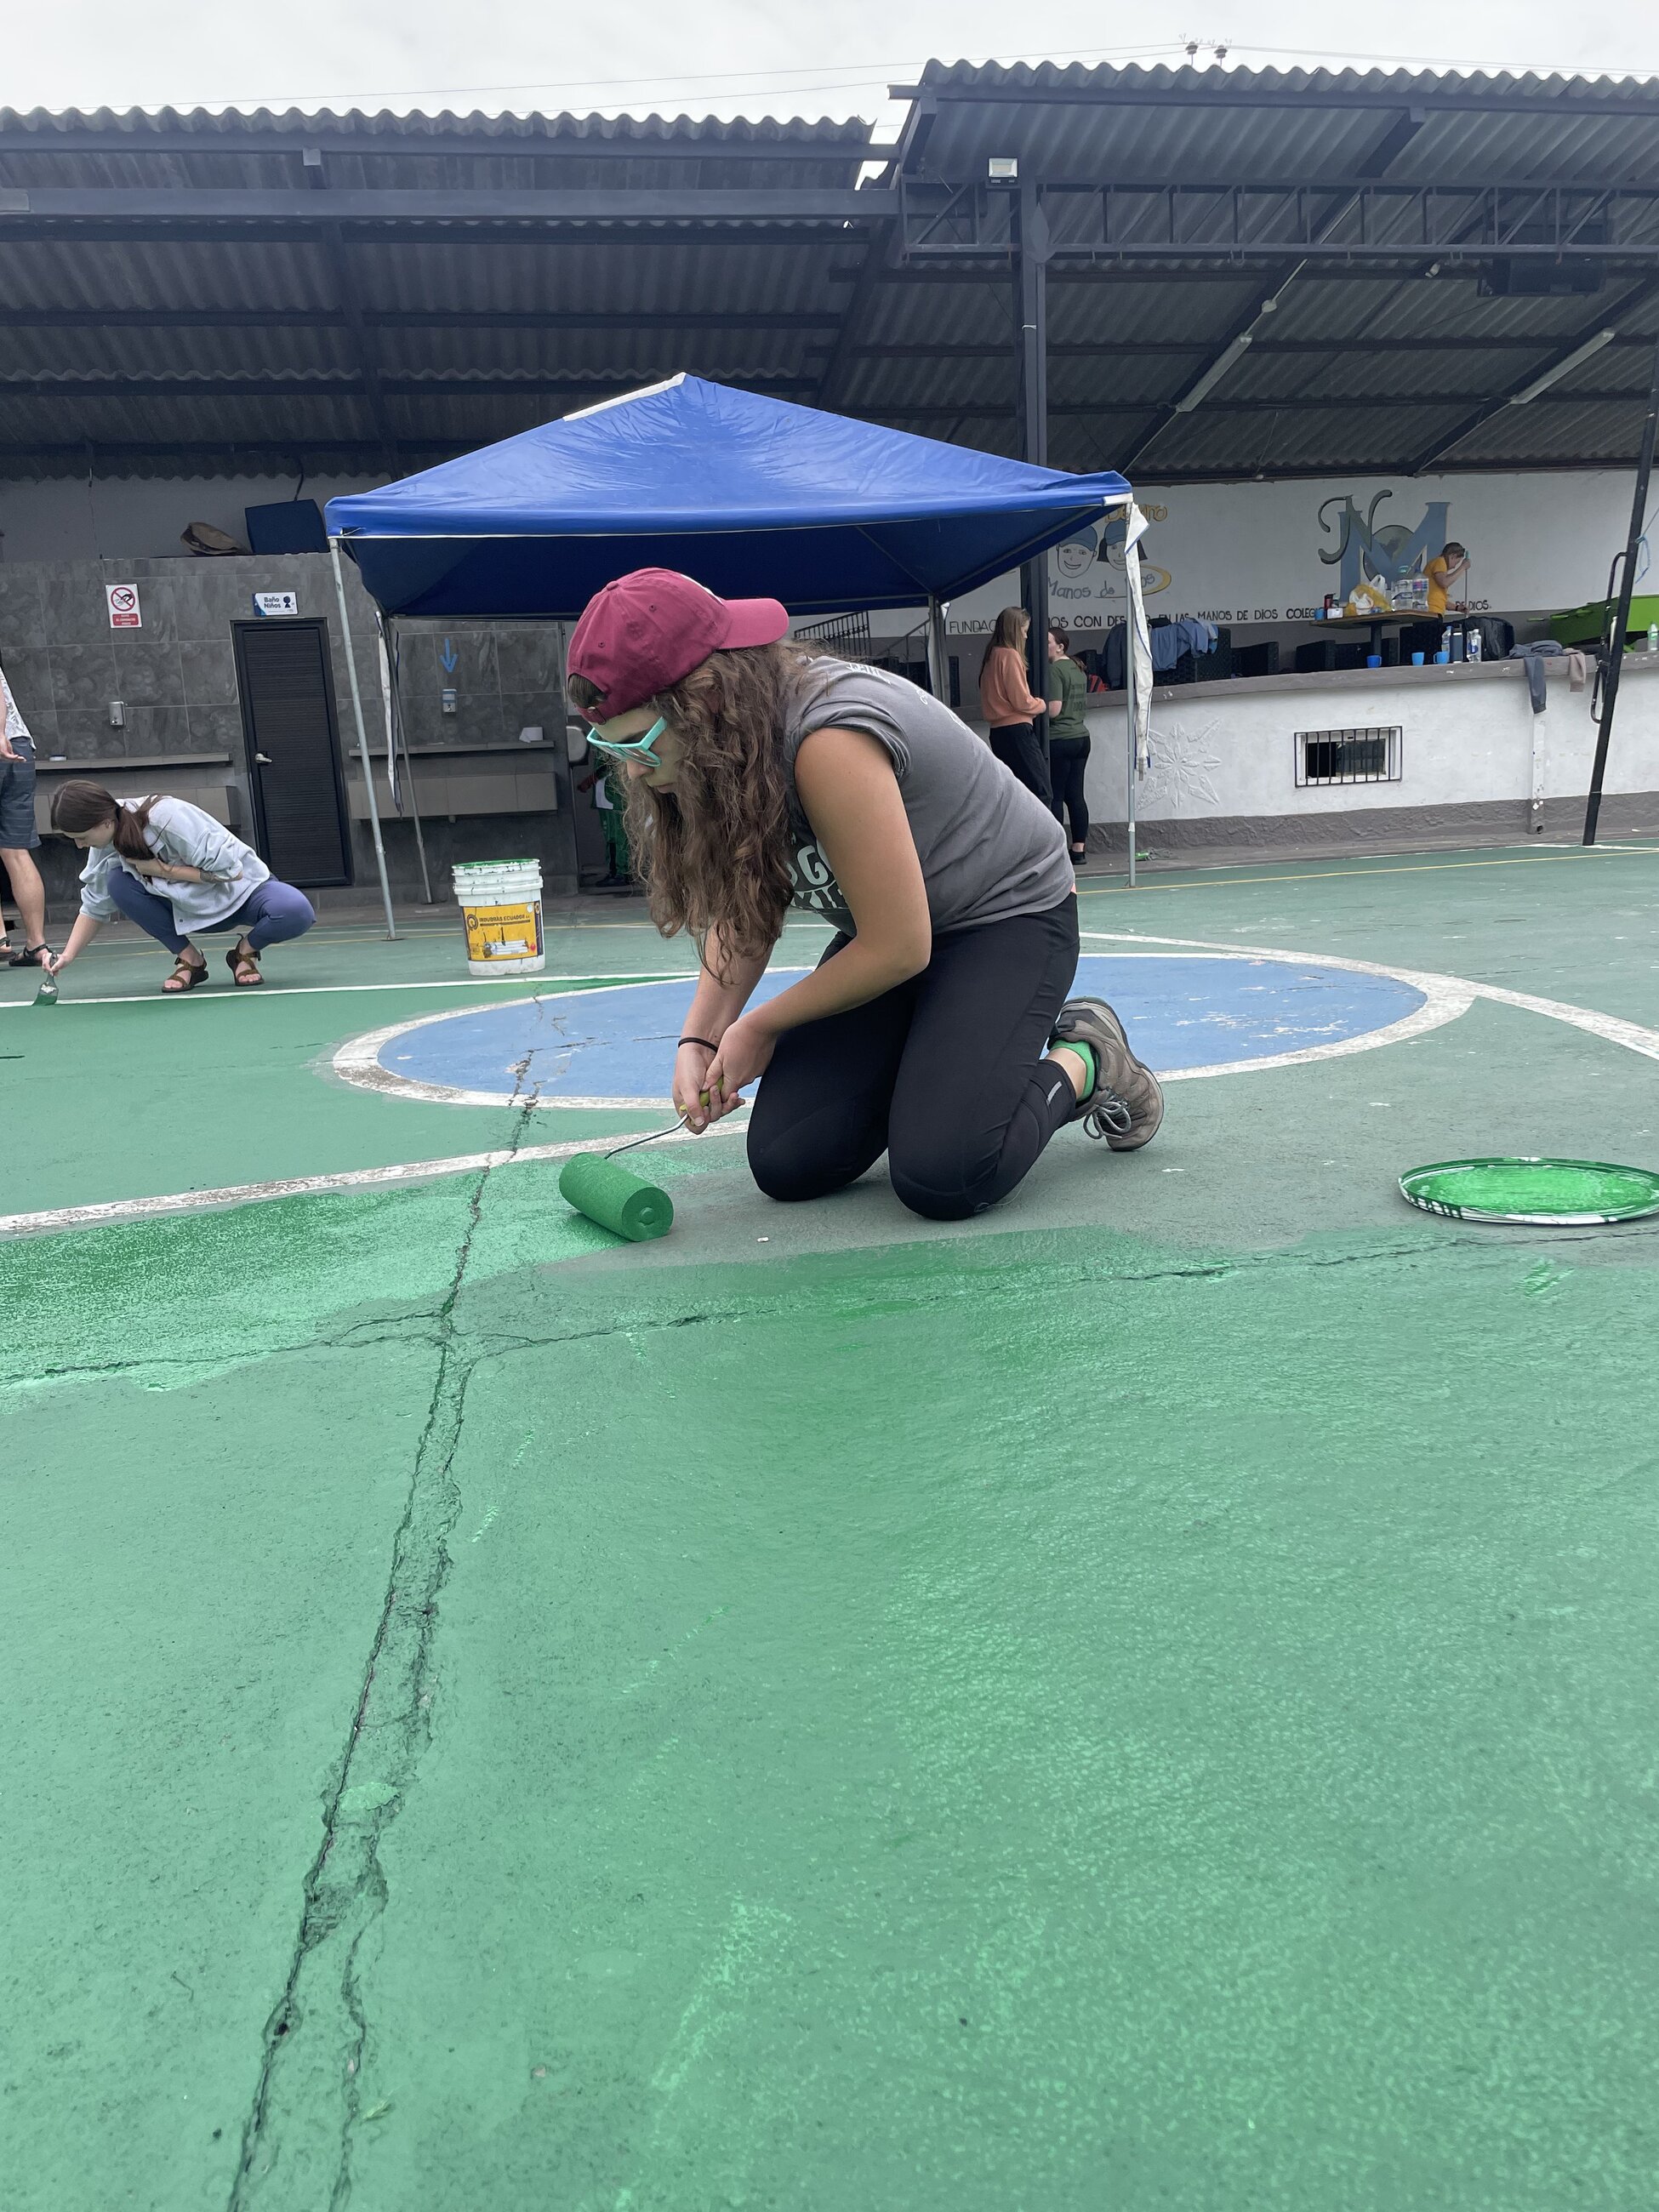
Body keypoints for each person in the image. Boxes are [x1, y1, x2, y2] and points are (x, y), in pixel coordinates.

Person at [563, 567, 1162, 1223]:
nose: (630, 770)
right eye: (608, 746)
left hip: (1006, 918)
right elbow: (746, 908)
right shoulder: (726, 749)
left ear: (704, 697)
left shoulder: (827, 740)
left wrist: (760, 1024)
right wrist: (699, 1041)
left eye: (638, 743)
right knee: (791, 1160)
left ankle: (1088, 1058)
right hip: (900, 934)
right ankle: (944, 1053)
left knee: (946, 1173)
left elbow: (898, 946)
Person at [43, 781, 316, 992]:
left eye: (81, 837)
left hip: (241, 895)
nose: (80, 845)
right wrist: (67, 955)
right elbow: (94, 905)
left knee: (296, 910)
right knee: (117, 883)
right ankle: (191, 961)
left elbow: (233, 872)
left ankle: (244, 952)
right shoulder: (105, 842)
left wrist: (164, 870)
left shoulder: (167, 817)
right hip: (186, 911)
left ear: (104, 821)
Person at [0, 659, 52, 968]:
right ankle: (36, 944)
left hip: (5, 743)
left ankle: (0, 936)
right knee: (15, 851)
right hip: (20, 749)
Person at [978, 607, 1053, 807]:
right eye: (1024, 630)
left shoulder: (990, 656)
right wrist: (1041, 705)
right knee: (1041, 790)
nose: (1026, 636)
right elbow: (1021, 700)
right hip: (1017, 730)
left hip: (998, 732)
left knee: (1014, 793)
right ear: (1015, 630)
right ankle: (1041, 837)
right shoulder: (1009, 655)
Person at [1045, 621, 1092, 869]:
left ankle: (1058, 850)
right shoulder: (1077, 668)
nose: (1044, 647)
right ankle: (1079, 850)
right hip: (1081, 737)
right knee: (1076, 796)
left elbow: (1053, 710)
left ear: (1060, 647)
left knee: (1056, 796)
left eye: (1048, 643)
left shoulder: (1054, 671)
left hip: (1059, 738)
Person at [1426, 540, 1469, 617]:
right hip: (1431, 612)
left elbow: (1440, 599)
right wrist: (1462, 567)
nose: (1454, 566)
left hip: (1433, 611)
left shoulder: (1437, 565)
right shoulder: (1440, 561)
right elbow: (1444, 583)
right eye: (1456, 562)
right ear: (1452, 556)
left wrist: (1457, 608)